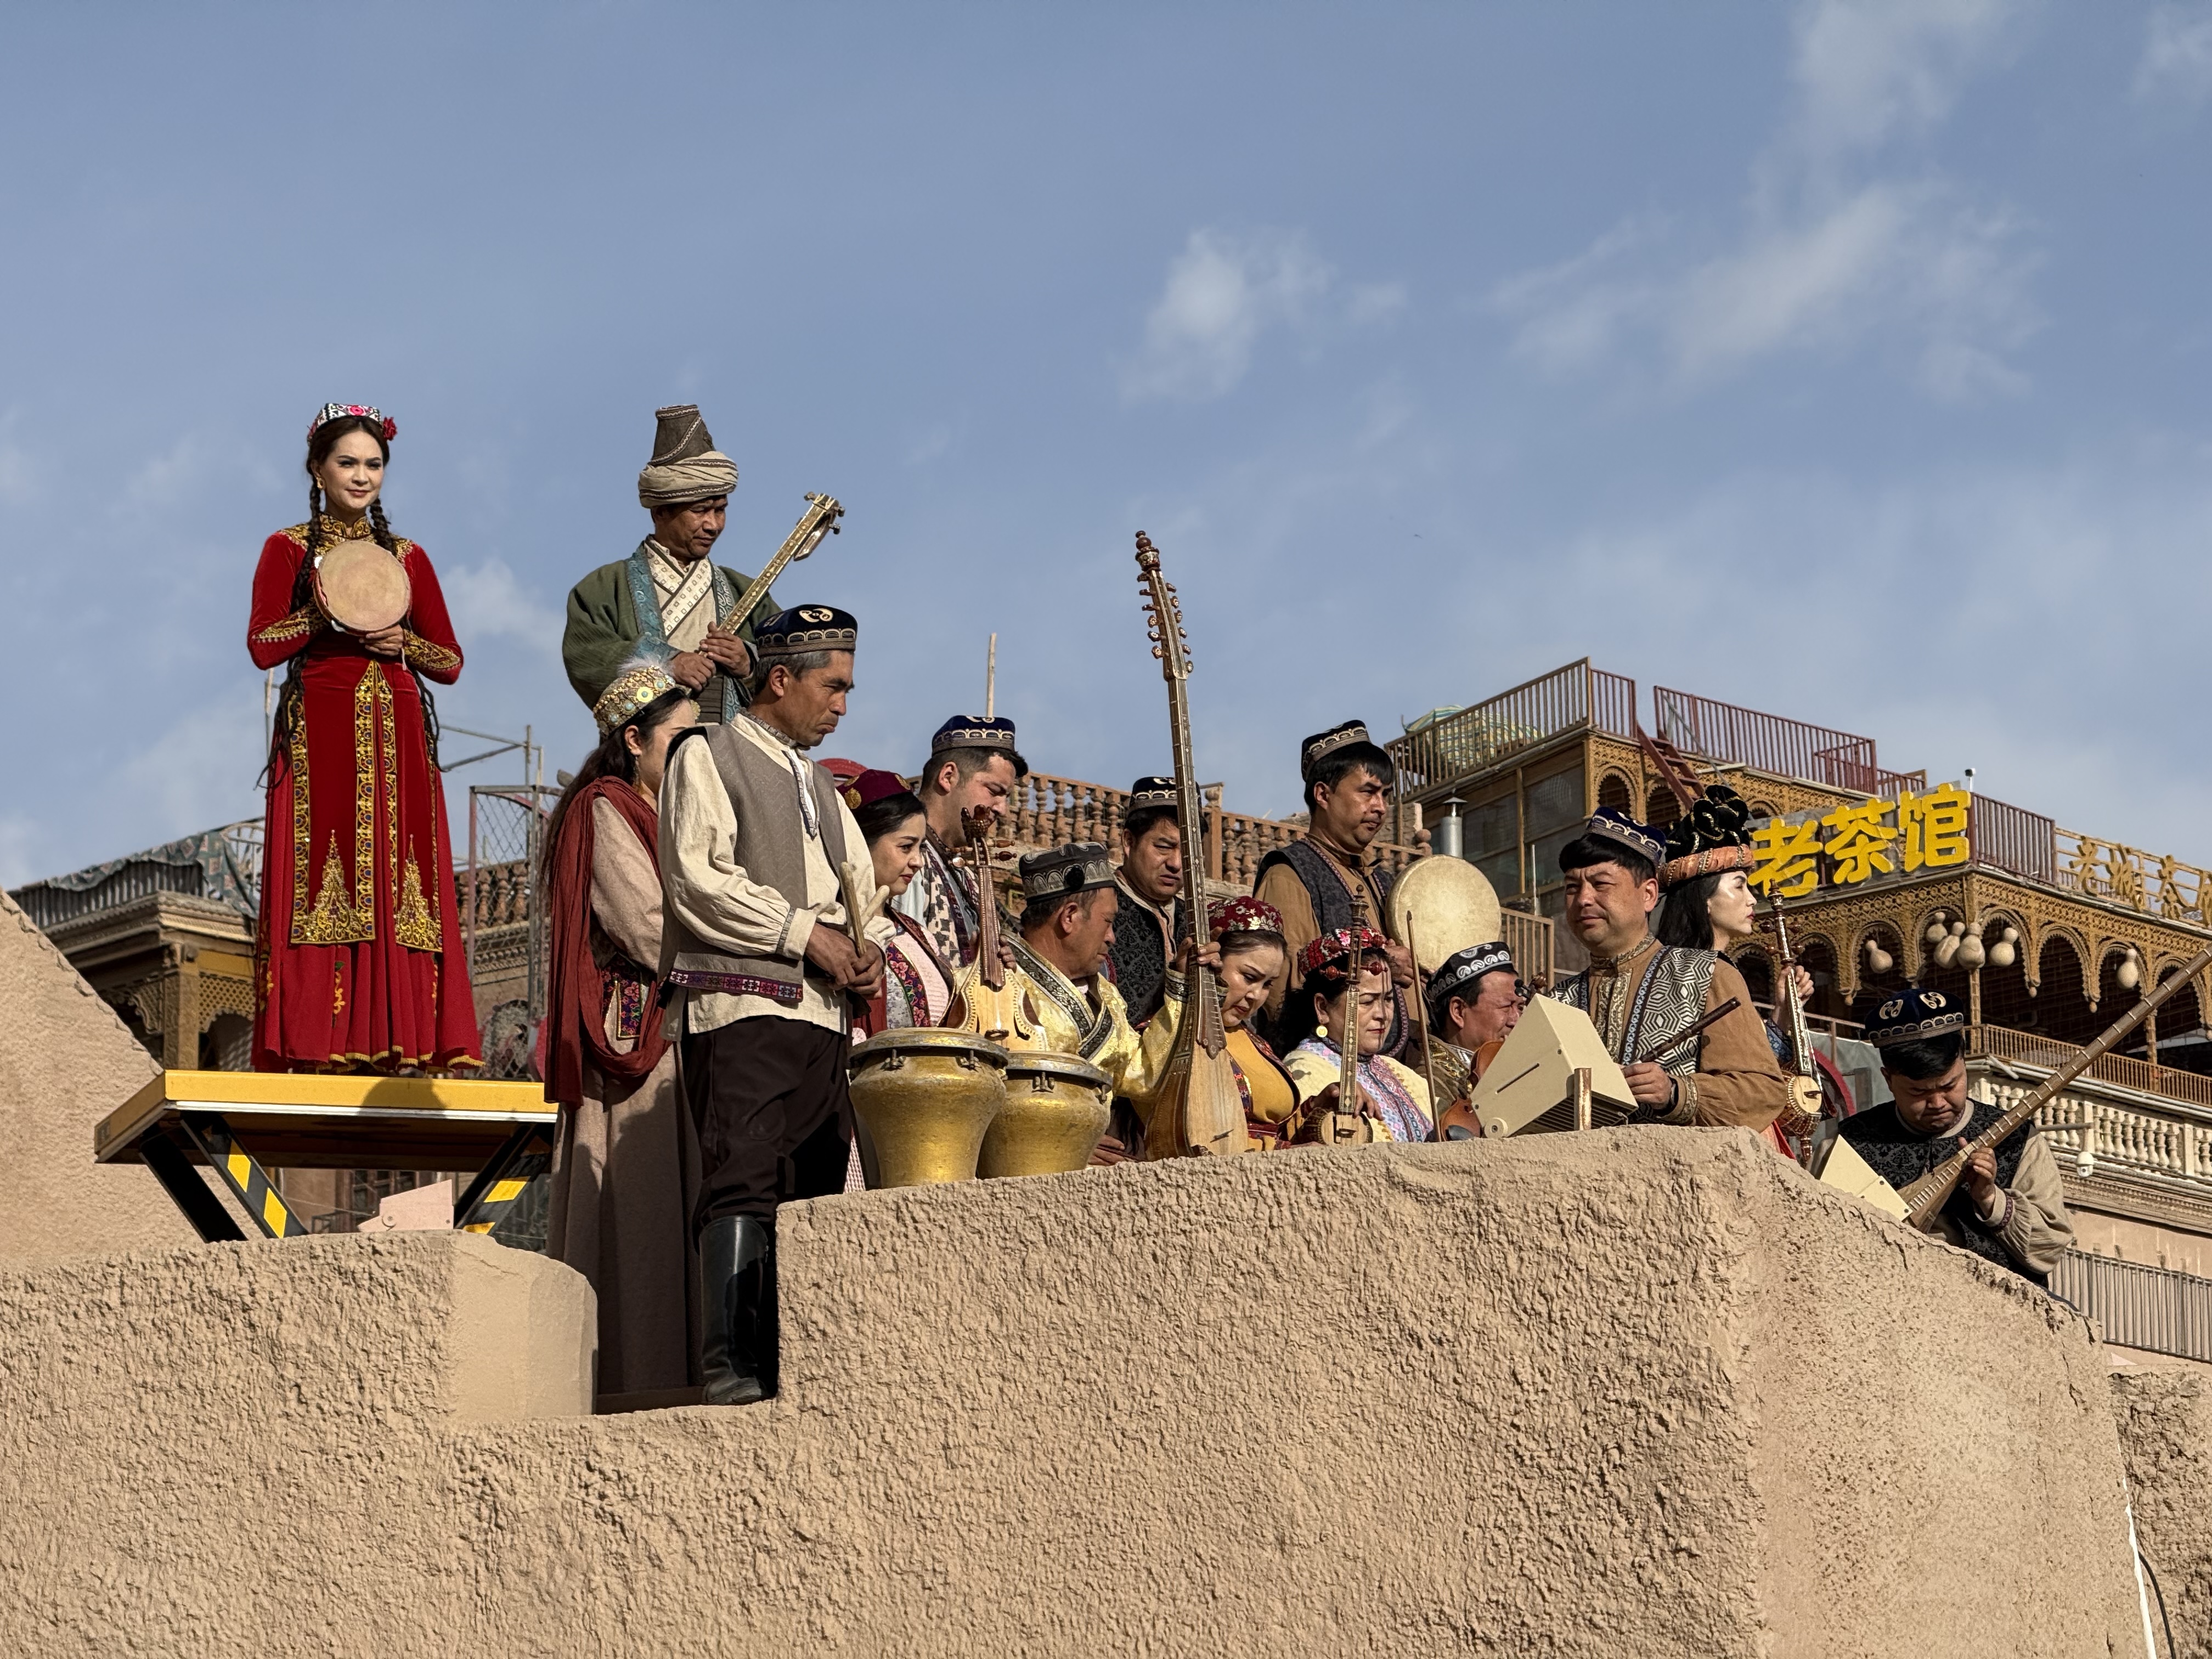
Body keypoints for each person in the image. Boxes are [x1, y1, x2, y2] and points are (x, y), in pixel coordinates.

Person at [657, 604, 886, 1405]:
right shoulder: (707, 753)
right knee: (745, 1179)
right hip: (742, 1008)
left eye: (849, 689)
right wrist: (805, 936)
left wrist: (867, 947)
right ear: (780, 679)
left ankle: (798, 1375)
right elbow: (697, 880)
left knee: (815, 1190)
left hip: (823, 1021)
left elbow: (865, 894)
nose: (843, 704)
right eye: (833, 686)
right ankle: (734, 1374)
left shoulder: (821, 785)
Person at [246, 402, 480, 1073]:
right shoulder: (286, 549)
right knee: (328, 874)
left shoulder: (408, 557)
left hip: (399, 730)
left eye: (373, 464)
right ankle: (319, 1042)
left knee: (401, 879)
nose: (361, 476)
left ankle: (404, 1038)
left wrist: (404, 642)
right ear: (317, 469)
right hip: (321, 729)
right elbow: (263, 646)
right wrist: (320, 617)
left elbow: (452, 661)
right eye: (347, 462)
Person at [540, 664, 700, 1398]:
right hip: (636, 1031)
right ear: (634, 740)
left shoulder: (674, 815)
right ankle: (634, 1382)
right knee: (635, 1211)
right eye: (681, 740)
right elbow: (648, 928)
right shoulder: (606, 810)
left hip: (684, 1019)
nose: (695, 755)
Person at [1544, 809, 1788, 1135]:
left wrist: (1676, 1093)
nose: (1583, 899)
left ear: (1648, 894)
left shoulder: (1707, 974)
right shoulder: (1556, 1003)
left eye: (1601, 884)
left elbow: (1764, 1092)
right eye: (1572, 888)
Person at [562, 404, 782, 725]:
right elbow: (586, 657)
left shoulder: (747, 592)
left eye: (720, 510)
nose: (713, 525)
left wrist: (748, 664)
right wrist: (668, 664)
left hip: (728, 760)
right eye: (701, 510)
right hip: (645, 758)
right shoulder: (601, 590)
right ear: (660, 512)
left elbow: (790, 672)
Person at [1837, 988, 2073, 1286]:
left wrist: (1990, 1198)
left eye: (1949, 1085)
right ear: (1888, 1080)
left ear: (1963, 1061)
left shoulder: (2019, 1138)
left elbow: (2049, 1250)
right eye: (1919, 1092)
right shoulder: (1852, 1143)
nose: (1937, 1103)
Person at [1654, 784, 1836, 1152]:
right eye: (1738, 886)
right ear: (1704, 900)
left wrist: (1782, 1014)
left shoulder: (1712, 969)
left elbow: (1748, 1069)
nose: (1752, 899)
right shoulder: (1696, 972)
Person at [1255, 721, 1417, 1053]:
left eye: (1385, 794)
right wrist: (1383, 963)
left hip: (1395, 1073)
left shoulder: (1383, 882)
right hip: (1329, 1079)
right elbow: (1281, 991)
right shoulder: (1290, 874)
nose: (1381, 807)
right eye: (1368, 792)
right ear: (1323, 794)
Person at [1007, 842, 1173, 1105]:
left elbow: (1139, 1074)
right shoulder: (998, 985)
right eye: (1107, 922)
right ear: (1070, 917)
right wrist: (1076, 1135)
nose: (1112, 938)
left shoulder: (1104, 992)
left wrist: (1182, 987)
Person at [1137, 897, 1303, 1151]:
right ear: (1212, 962)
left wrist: (1317, 1109)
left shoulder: (1254, 1041)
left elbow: (1279, 1130)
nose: (1256, 995)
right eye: (1249, 977)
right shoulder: (1163, 1038)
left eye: (1267, 984)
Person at [893, 714, 1029, 971]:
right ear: (948, 777)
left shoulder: (968, 872)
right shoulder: (902, 852)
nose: (1002, 809)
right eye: (994, 791)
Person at [1283, 926, 1434, 1143]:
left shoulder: (1394, 1069)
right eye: (1367, 1001)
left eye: (1388, 999)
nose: (1383, 1014)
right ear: (1323, 1008)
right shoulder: (1304, 1070)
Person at [844, 768, 959, 1034]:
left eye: (920, 848)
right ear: (859, 844)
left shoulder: (919, 935)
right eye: (906, 847)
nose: (918, 861)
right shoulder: (832, 932)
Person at [1106, 777, 1187, 1027]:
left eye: (1189, 852)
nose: (1176, 863)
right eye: (1164, 847)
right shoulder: (1098, 909)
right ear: (1129, 842)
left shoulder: (1200, 922)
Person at [1425, 940, 1523, 1109]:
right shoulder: (1429, 1083)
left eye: (1520, 1007)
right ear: (1458, 1011)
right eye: (1506, 1007)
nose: (1516, 1020)